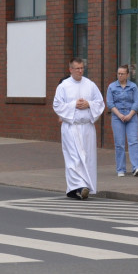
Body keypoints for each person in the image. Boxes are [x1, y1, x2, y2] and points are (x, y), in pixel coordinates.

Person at [53, 58, 105, 200]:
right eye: (77, 68)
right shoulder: (63, 86)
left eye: (82, 68)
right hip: (71, 127)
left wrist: (89, 104)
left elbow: (100, 103)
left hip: (87, 127)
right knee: (74, 158)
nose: (80, 71)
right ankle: (80, 186)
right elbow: (57, 105)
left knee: (87, 157)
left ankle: (79, 187)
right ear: (70, 69)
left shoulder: (90, 84)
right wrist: (73, 105)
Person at [106, 65, 138, 178]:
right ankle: (121, 169)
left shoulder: (133, 86)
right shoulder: (112, 87)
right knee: (119, 144)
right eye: (118, 73)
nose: (120, 75)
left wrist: (130, 114)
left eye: (122, 73)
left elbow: (137, 102)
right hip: (117, 117)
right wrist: (119, 115)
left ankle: (136, 167)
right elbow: (110, 103)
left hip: (131, 117)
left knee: (133, 141)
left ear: (127, 75)